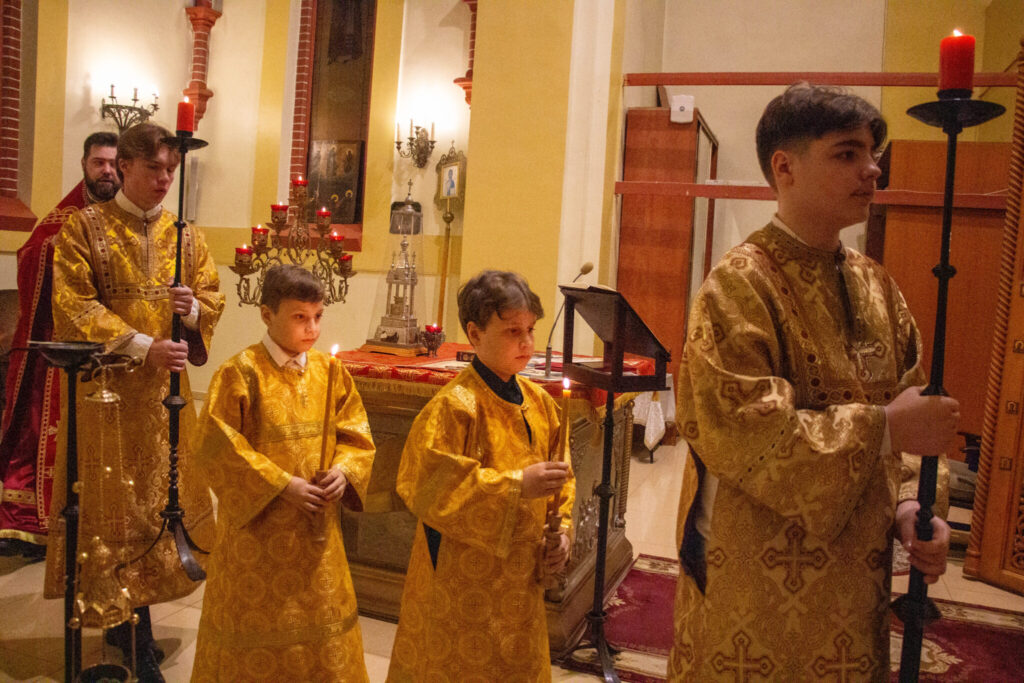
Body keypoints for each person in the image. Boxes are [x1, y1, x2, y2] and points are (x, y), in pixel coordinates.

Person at [667, 83, 960, 681]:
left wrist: (911, 504)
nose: (872, 169)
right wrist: (883, 428)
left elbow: (914, 410)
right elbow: (745, 432)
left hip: (856, 574)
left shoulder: (878, 286)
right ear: (785, 167)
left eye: (873, 153)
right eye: (847, 153)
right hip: (756, 574)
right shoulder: (739, 284)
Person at [44, 122, 224, 681]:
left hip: (167, 400)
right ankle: (123, 624)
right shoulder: (83, 229)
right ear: (123, 167)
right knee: (112, 509)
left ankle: (139, 622)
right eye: (153, 169)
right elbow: (73, 306)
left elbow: (212, 295)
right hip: (107, 396)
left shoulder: (186, 236)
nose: (165, 179)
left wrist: (194, 309)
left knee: (160, 507)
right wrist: (145, 346)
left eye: (171, 169)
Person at [190, 264, 376, 682]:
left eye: (318, 316)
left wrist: (344, 471)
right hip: (259, 538)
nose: (312, 328)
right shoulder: (240, 373)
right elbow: (217, 445)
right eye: (299, 317)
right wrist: (282, 484)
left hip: (316, 537)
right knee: (258, 631)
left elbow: (356, 435)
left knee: (320, 630)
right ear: (267, 314)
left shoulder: (331, 372)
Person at [386, 270, 575, 682]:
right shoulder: (455, 406)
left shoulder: (541, 403)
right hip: (463, 580)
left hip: (521, 576)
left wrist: (561, 532)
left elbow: (563, 476)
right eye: (512, 332)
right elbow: (428, 485)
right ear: (475, 333)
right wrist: (516, 486)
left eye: (530, 330)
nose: (526, 343)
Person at [0, 132, 119, 560]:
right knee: (40, 429)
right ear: (84, 165)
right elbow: (32, 251)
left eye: (113, 164)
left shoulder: (126, 217)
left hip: (112, 349)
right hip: (57, 347)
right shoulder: (66, 215)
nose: (107, 171)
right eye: (99, 162)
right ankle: (29, 523)